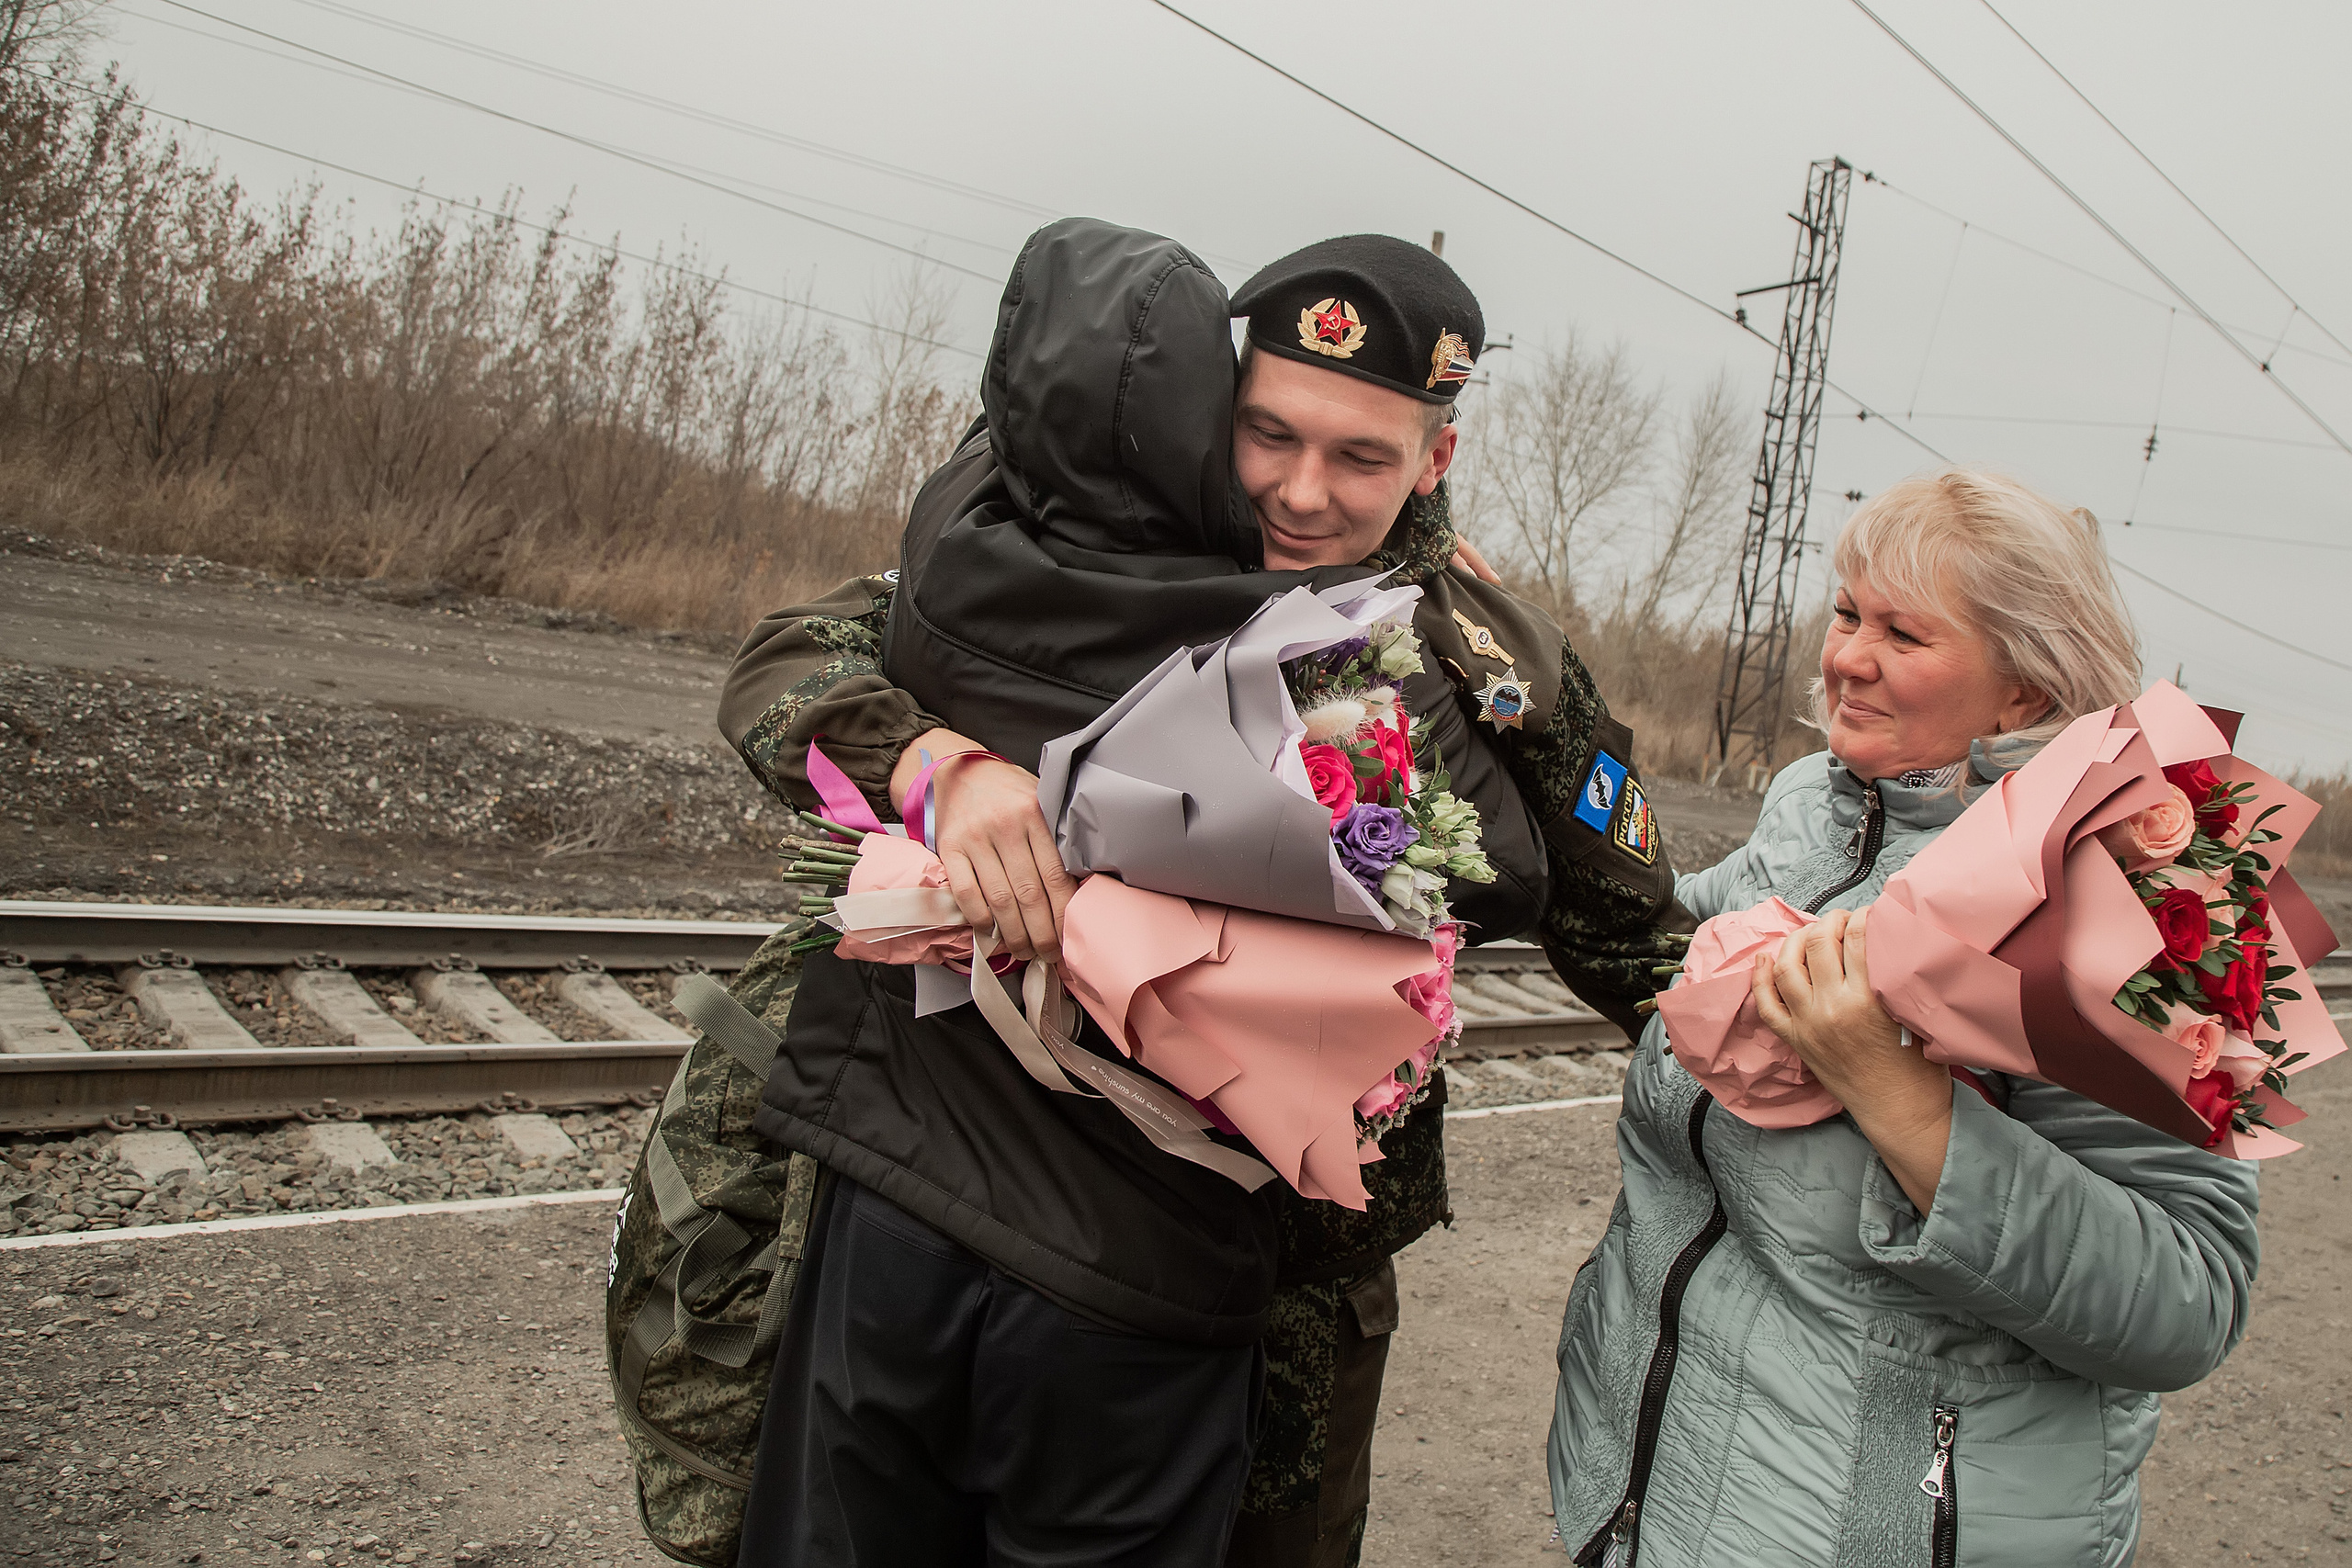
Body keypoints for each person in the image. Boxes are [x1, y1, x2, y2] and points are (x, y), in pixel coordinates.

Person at [723, 224, 1684, 1566]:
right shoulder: (1116, 532)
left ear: (1436, 455)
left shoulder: (1482, 659)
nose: (1299, 491)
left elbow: (1630, 932)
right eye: (1269, 434)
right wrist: (938, 761)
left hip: (1294, 1282)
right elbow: (792, 662)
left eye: (1360, 456)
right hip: (984, 1209)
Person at [1547, 469, 2261, 1568]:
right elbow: (1650, 951)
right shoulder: (1811, 805)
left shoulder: (2144, 888)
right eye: (1846, 613)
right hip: (1650, 1495)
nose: (1845, 657)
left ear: (2022, 692)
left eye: (1904, 633)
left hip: (1877, 1525)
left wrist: (1898, 1097)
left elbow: (2188, 1299)